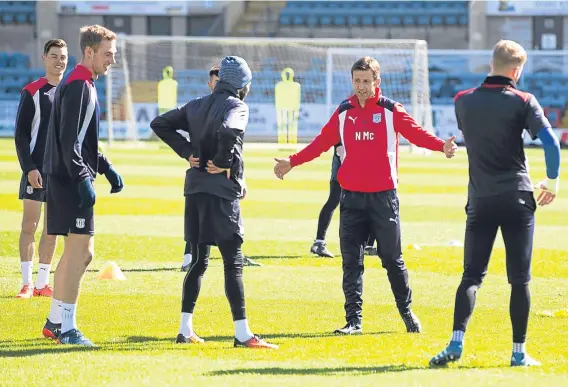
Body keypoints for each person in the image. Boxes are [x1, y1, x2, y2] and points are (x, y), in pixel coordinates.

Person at [274, 56, 457, 335]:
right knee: (351, 263)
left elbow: (416, 134)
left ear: (377, 82)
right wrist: (292, 161)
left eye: (366, 81)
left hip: (383, 199)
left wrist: (440, 145)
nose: (361, 87)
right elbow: (321, 142)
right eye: (357, 81)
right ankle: (354, 322)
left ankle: (407, 313)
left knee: (392, 260)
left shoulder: (390, 110)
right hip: (351, 200)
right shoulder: (344, 111)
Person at [429, 40, 561, 368]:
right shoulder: (524, 100)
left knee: (471, 275)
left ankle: (456, 342)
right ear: (517, 70)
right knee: (519, 279)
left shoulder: (463, 101)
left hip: (481, 198)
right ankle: (518, 352)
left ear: (491, 64)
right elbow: (551, 142)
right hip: (517, 197)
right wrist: (553, 182)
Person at [150, 56, 277, 349]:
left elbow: (160, 123)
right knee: (233, 263)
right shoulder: (237, 106)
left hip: (194, 190)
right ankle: (243, 334)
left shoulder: (196, 104)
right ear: (242, 84)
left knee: (197, 261)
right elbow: (231, 131)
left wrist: (186, 151)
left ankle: (185, 329)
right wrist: (222, 162)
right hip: (220, 192)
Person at [41, 25, 124, 346]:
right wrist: (82, 180)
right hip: (68, 180)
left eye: (113, 55)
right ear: (88, 52)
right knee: (81, 253)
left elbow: (83, 140)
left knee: (76, 253)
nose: (111, 61)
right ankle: (67, 328)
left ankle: (55, 321)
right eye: (107, 55)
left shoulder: (83, 82)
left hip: (66, 177)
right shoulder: (78, 85)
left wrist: (106, 167)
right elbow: (67, 141)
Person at [181, 66, 261, 272]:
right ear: (210, 84)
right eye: (215, 81)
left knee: (220, 221)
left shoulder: (231, 107)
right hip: (207, 177)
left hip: (220, 179)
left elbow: (236, 149)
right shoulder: (202, 107)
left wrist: (239, 177)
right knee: (202, 223)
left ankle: (226, 256)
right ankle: (190, 256)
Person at [14, 39, 68, 299]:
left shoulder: (72, 91)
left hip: (61, 173)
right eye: (55, 55)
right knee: (30, 225)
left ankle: (42, 284)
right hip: (36, 169)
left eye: (64, 57)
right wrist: (29, 168)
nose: (59, 61)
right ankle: (26, 283)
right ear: (44, 58)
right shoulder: (32, 91)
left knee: (52, 228)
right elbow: (21, 135)